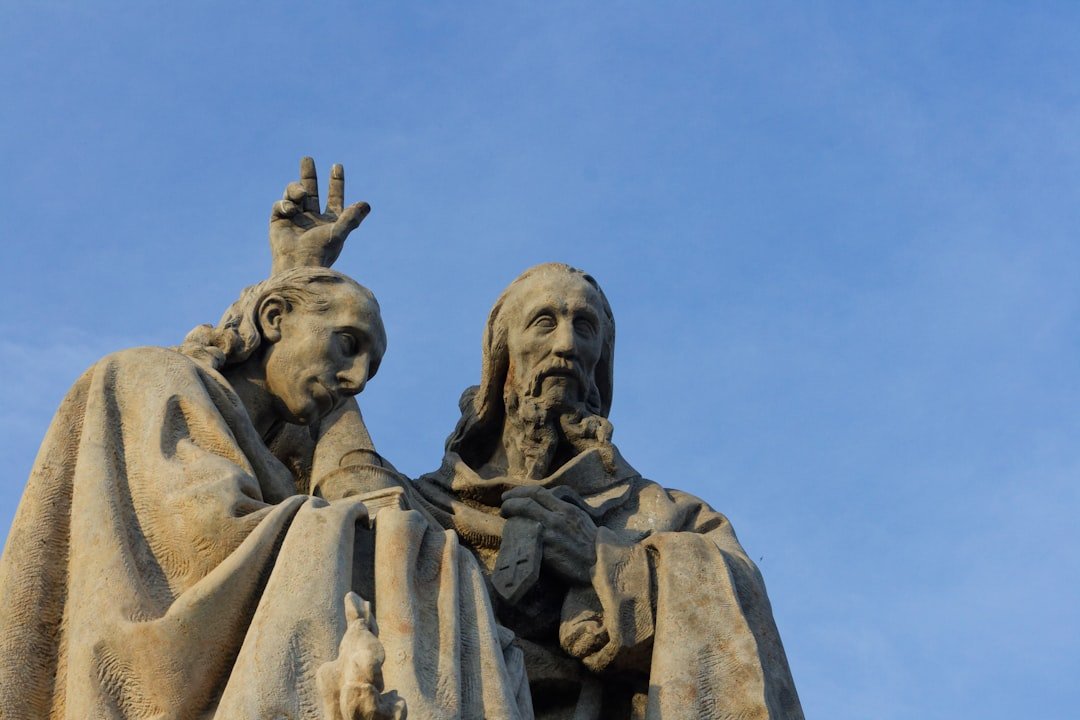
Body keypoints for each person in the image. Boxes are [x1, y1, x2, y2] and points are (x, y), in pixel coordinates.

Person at [0, 161, 533, 720]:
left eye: (368, 371)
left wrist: (299, 270)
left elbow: (354, 485)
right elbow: (204, 538)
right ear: (274, 316)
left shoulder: (282, 453)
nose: (353, 379)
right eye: (346, 345)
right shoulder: (149, 377)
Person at [414, 263, 804, 719]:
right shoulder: (428, 506)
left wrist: (603, 560)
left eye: (584, 327)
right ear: (503, 357)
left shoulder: (669, 514)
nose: (567, 345)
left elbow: (741, 604)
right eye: (545, 322)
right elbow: (342, 492)